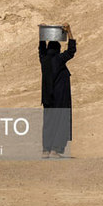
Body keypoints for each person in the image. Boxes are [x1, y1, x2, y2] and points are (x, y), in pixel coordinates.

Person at [39, 23, 76, 158]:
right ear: (59, 49)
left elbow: (41, 49)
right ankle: (55, 150)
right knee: (61, 121)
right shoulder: (59, 60)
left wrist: (42, 34)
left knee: (48, 123)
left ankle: (45, 150)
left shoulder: (44, 60)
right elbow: (71, 51)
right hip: (60, 99)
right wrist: (69, 31)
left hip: (47, 99)